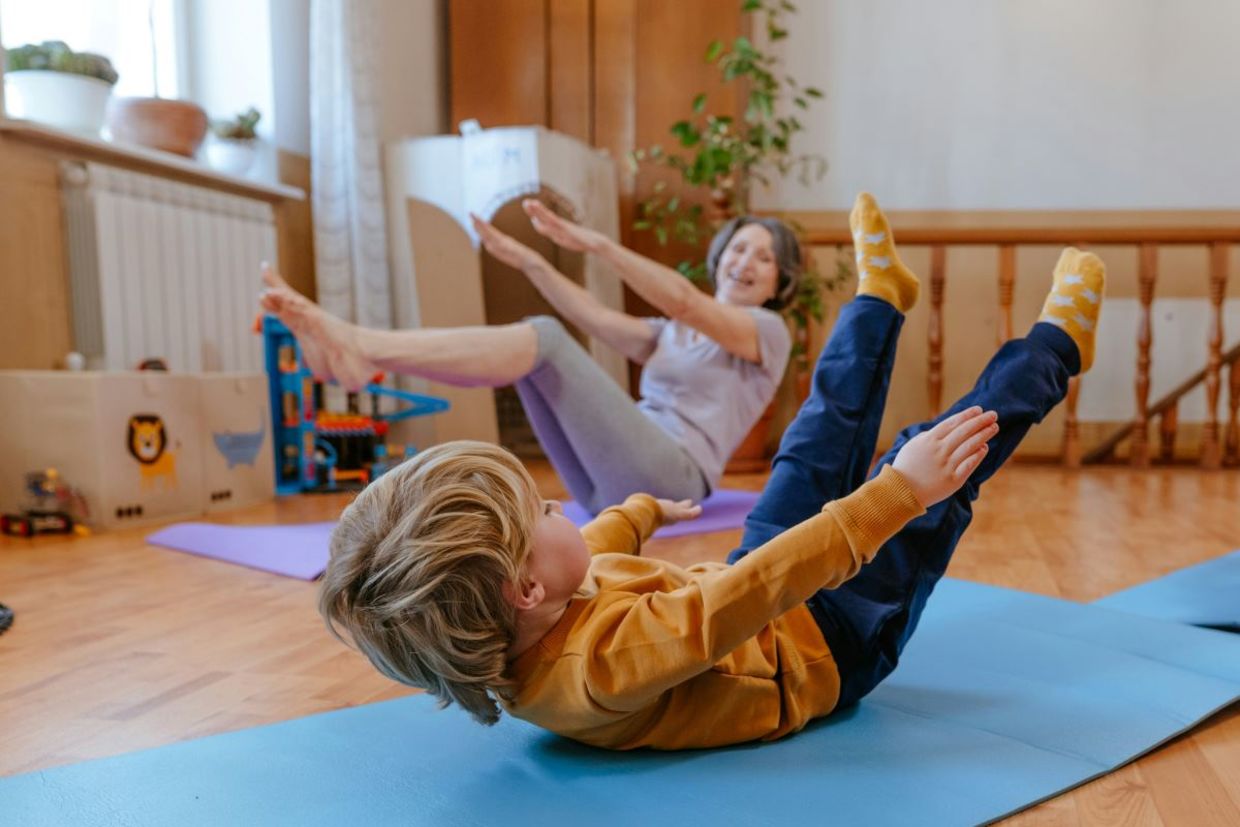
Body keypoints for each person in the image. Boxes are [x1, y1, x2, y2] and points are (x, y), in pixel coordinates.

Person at [317, 194, 1106, 749]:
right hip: (829, 642)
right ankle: (1056, 348)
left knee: (811, 442)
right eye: (543, 511)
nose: (560, 504)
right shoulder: (600, 669)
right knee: (934, 455)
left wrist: (635, 513)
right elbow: (748, 595)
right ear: (525, 589)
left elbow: (600, 553)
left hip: (755, 591)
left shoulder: (524, 611)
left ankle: (877, 300)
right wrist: (900, 491)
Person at [259, 198, 804, 513]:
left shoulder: (766, 332)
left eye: (764, 258)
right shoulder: (671, 334)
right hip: (608, 488)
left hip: (673, 481)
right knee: (535, 353)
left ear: (780, 281)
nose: (746, 262)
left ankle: (362, 345)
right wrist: (527, 262)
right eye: (739, 248)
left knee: (541, 337)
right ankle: (363, 355)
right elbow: (591, 317)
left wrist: (596, 244)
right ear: (719, 256)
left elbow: (685, 300)